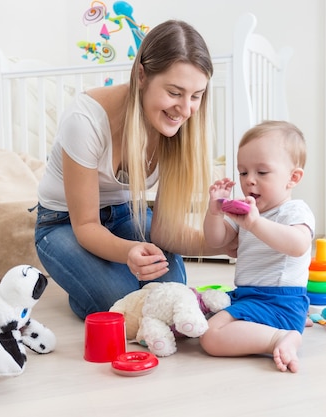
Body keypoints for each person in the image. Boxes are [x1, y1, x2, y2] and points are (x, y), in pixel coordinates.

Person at [34, 20, 230, 320]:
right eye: (175, 92)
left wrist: (230, 244)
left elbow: (166, 232)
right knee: (118, 299)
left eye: (196, 95)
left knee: (171, 288)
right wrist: (128, 253)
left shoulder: (179, 131)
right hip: (63, 223)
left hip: (124, 213)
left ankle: (100, 277)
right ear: (142, 75)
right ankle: (85, 291)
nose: (186, 109)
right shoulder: (85, 121)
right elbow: (85, 226)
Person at [200, 120, 315, 373]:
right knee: (199, 314)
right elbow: (216, 240)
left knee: (210, 335)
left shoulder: (295, 210)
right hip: (248, 296)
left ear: (292, 178)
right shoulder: (250, 214)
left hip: (279, 300)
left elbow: (298, 245)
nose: (249, 181)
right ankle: (277, 329)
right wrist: (214, 212)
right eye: (243, 172)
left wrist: (255, 224)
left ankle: (280, 337)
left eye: (262, 173)